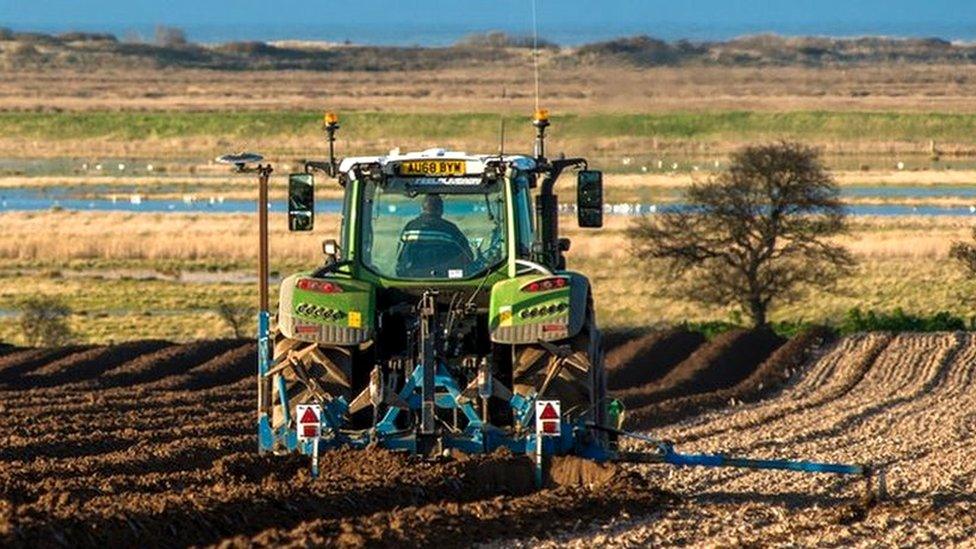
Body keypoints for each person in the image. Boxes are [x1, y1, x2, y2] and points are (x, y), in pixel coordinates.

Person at [396, 194, 473, 277]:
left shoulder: (410, 228)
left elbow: (400, 257)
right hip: (444, 280)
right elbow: (468, 256)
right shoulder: (450, 229)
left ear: (422, 209)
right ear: (441, 209)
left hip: (413, 279)